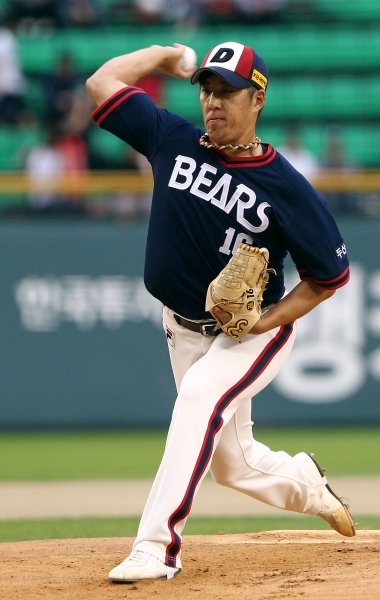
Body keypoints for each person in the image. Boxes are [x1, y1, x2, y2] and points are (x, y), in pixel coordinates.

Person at [86, 40, 355, 583]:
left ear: (257, 99)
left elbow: (329, 277)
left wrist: (266, 321)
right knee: (235, 464)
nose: (213, 102)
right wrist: (163, 55)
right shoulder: (172, 138)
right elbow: (101, 85)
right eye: (208, 90)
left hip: (250, 332)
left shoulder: (287, 188)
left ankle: (156, 547)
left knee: (198, 397)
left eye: (227, 92)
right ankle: (306, 483)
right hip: (181, 327)